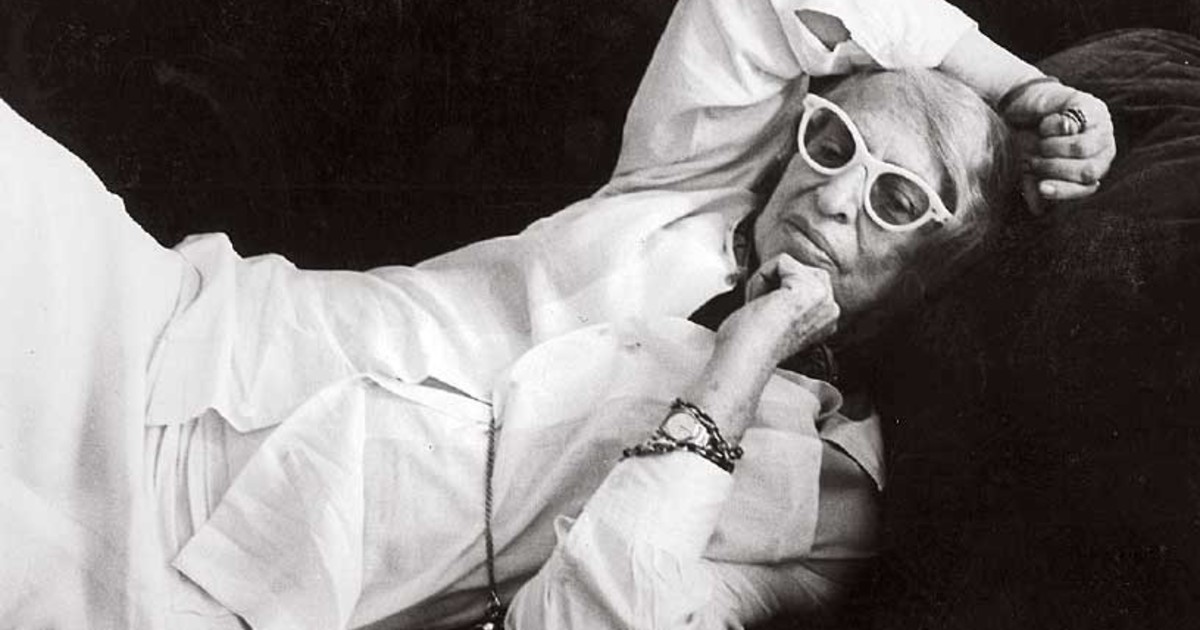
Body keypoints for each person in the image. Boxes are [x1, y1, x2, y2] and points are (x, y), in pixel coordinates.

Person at [0, 1, 1114, 629]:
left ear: (942, 273)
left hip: (203, 587)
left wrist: (737, 369)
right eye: (833, 144)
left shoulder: (828, 500)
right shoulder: (684, 193)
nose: (832, 196)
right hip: (165, 331)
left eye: (896, 199)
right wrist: (1023, 90)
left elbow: (590, 619)